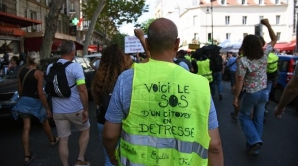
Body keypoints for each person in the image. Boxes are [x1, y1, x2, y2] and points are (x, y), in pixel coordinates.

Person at [103, 18, 223, 166]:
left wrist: (111, 156)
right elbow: (215, 145)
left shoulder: (127, 79)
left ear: (146, 44)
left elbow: (109, 135)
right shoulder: (200, 85)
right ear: (177, 44)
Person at [233, 18, 276, 156]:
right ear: (258, 45)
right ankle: (254, 147)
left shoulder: (243, 61)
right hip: (264, 92)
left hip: (251, 93)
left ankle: (255, 140)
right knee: (258, 119)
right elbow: (274, 39)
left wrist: (236, 98)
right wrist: (268, 25)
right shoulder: (264, 55)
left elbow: (240, 80)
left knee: (244, 117)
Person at [47, 41, 90, 166]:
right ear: (73, 53)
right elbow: (82, 90)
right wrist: (86, 109)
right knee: (85, 130)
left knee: (63, 139)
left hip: (58, 111)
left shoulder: (50, 67)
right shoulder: (75, 67)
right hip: (75, 109)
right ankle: (80, 160)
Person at [11, 51, 59, 165]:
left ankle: (27, 155)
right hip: (36, 101)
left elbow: (20, 89)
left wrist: (23, 99)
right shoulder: (38, 73)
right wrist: (47, 108)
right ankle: (52, 140)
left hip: (25, 100)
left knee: (26, 127)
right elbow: (41, 93)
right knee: (45, 121)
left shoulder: (21, 70)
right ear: (37, 60)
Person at [91, 44, 132, 166]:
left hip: (103, 121)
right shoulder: (128, 77)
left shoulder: (99, 77)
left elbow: (97, 100)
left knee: (109, 159)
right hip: (124, 122)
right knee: (125, 158)